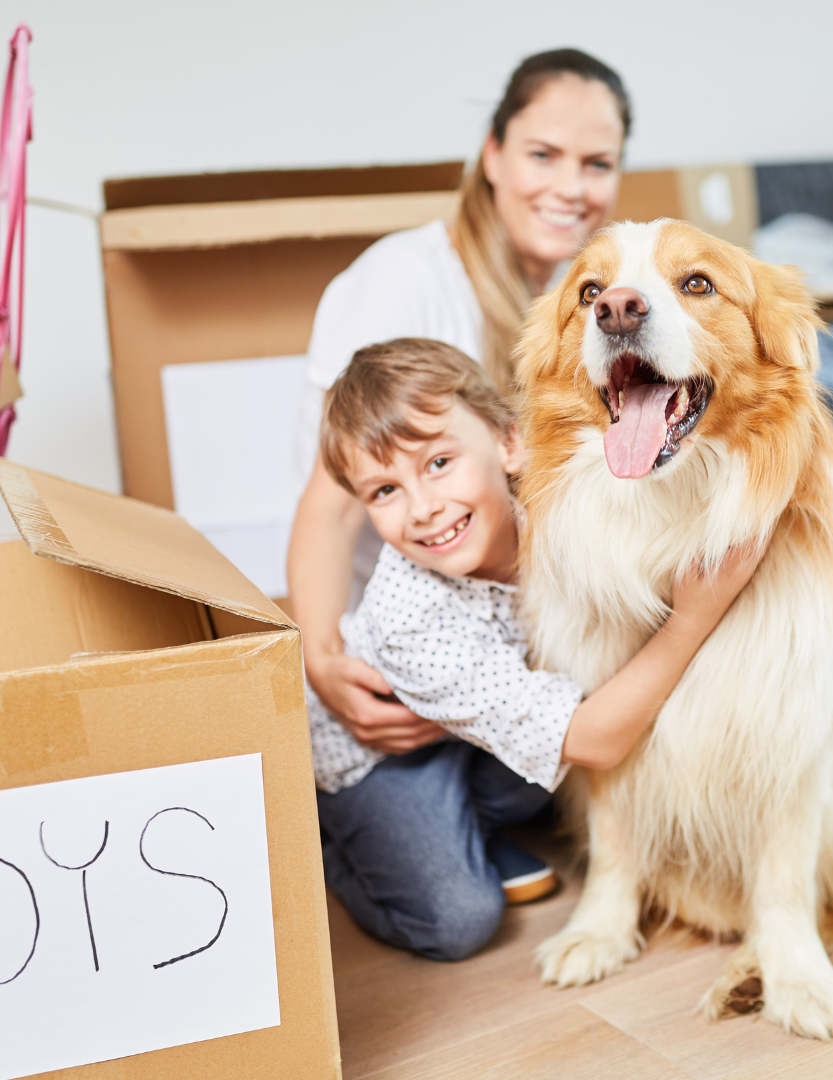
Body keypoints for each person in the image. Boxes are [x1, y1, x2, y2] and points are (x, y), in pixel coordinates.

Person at [287, 50, 629, 894]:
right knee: (452, 909)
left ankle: (479, 811)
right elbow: (331, 507)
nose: (571, 186)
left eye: (598, 164)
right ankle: (373, 830)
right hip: (405, 644)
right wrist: (323, 659)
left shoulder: (572, 294)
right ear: (493, 155)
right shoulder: (406, 282)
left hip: (500, 629)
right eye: (544, 155)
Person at [310, 338, 764, 960]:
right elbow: (595, 740)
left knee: (563, 749)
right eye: (384, 492)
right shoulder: (408, 620)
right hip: (382, 754)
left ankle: (474, 823)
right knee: (457, 919)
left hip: (483, 727)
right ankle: (339, 849)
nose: (423, 508)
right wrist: (694, 617)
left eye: (439, 463)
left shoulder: (554, 507)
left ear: (510, 442)